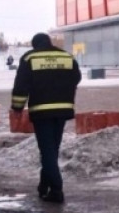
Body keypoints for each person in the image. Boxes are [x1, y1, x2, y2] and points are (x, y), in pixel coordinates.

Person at [10, 33, 81, 203]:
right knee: (52, 150)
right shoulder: (66, 56)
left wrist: (17, 108)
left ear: (35, 45)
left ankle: (56, 189)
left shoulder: (29, 58)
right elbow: (76, 77)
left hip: (42, 111)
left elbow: (21, 85)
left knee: (47, 151)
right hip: (63, 109)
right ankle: (44, 186)